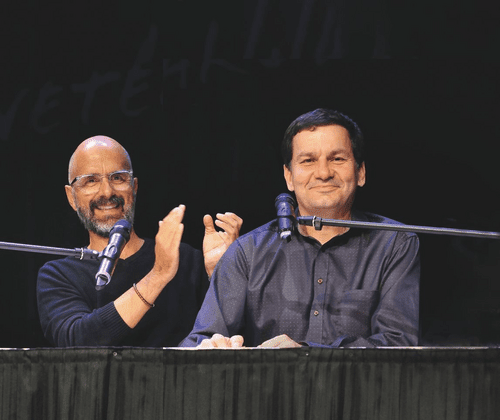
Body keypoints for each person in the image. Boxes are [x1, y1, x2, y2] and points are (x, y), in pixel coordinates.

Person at [180, 108, 420, 349]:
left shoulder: (394, 243)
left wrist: (304, 354)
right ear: (289, 176)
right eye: (308, 161)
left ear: (360, 172)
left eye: (337, 159)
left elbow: (398, 343)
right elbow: (199, 340)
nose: (324, 173)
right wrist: (210, 347)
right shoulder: (247, 252)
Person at [37, 136, 242, 347]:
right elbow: (77, 341)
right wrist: (158, 275)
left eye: (118, 178)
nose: (107, 192)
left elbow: (232, 334)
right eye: (91, 181)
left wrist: (221, 274)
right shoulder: (57, 275)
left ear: (134, 187)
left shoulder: (187, 260)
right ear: (71, 197)